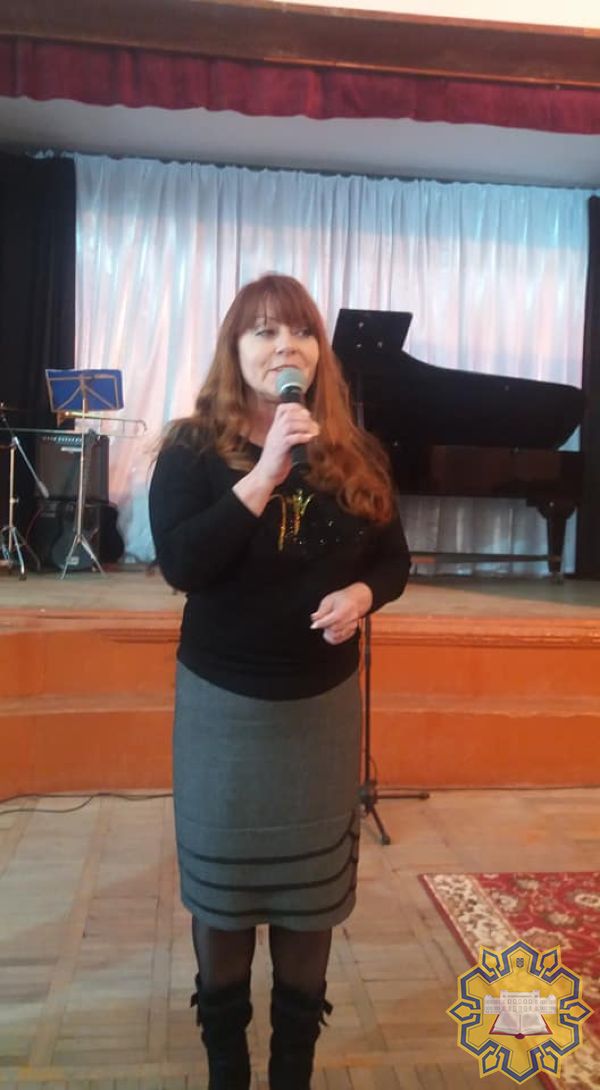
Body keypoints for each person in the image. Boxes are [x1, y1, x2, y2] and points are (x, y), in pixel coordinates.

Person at [148, 273, 411, 1090]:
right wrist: (264, 472)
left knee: (308, 901)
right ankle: (227, 1065)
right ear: (235, 350)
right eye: (263, 332)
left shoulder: (354, 451)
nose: (284, 346)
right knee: (225, 901)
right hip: (225, 711)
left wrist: (364, 595)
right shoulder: (191, 450)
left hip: (321, 712)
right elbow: (183, 564)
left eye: (300, 332)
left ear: (318, 353)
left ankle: (294, 1064)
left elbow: (393, 561)